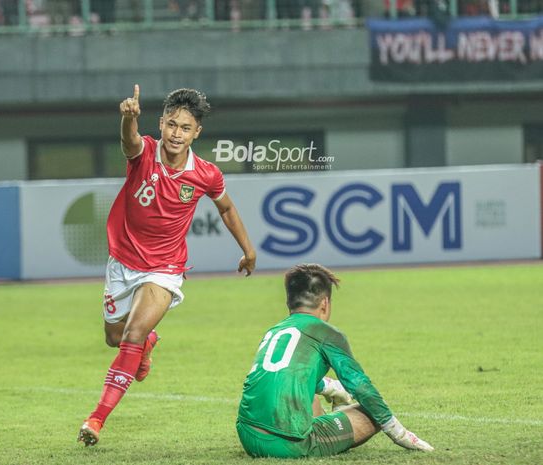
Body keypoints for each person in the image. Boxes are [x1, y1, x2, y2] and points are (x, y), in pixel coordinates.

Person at [78, 85, 257, 447]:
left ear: (197, 133)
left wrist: (248, 250)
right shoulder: (144, 152)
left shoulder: (205, 174)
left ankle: (96, 419)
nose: (177, 133)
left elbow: (226, 208)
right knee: (114, 337)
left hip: (165, 268)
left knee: (130, 335)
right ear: (160, 124)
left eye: (185, 128)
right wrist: (128, 119)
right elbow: (129, 143)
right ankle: (148, 343)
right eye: (172, 125)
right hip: (122, 262)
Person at [237, 263, 434, 458]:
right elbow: (360, 387)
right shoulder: (326, 333)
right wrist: (400, 433)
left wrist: (329, 387)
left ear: (289, 302)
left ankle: (332, 406)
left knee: (308, 393)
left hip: (248, 435)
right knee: (373, 411)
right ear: (324, 303)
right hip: (288, 444)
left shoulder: (275, 330)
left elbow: (285, 375)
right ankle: (332, 425)